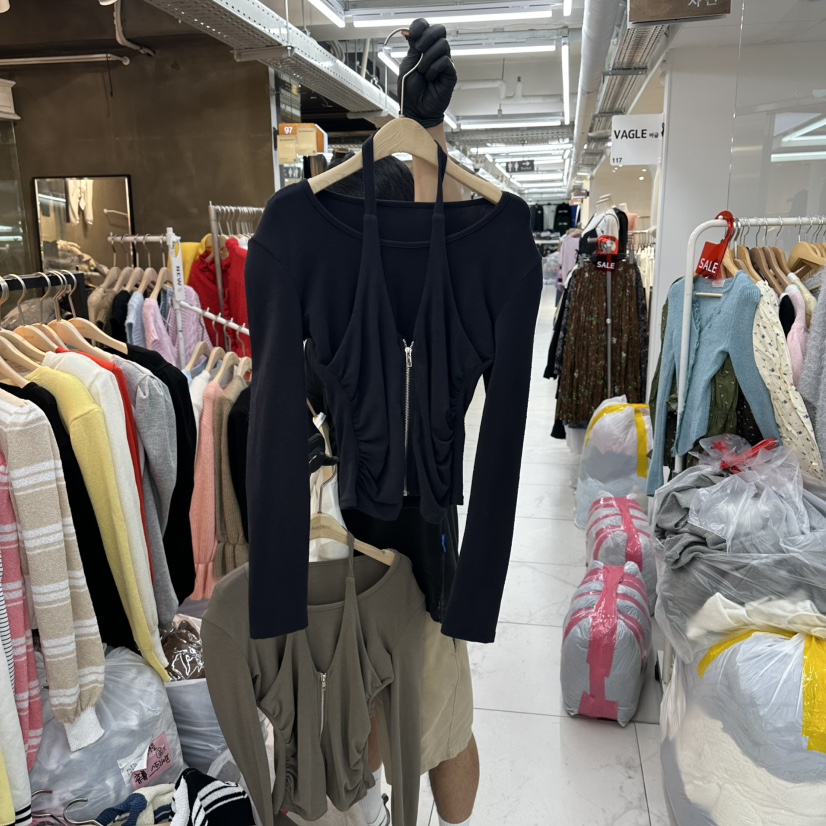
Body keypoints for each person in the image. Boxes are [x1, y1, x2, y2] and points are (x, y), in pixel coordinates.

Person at [305, 20, 480, 826]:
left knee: (426, 729)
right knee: (410, 730)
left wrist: (426, 133)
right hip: (376, 560)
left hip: (403, 559)